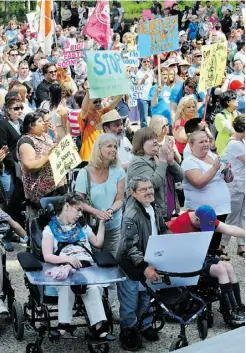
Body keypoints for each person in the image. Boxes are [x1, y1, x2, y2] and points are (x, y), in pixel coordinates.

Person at [42, 193, 115, 341]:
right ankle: (63, 324)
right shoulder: (49, 229)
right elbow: (47, 256)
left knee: (93, 287)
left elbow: (98, 244)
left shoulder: (83, 227)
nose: (81, 214)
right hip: (64, 266)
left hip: (86, 266)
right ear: (67, 207)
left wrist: (101, 223)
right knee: (65, 286)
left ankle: (99, 327)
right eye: (78, 210)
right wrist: (67, 259)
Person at [169, 205, 245, 326]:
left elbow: (230, 229)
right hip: (187, 261)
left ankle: (238, 307)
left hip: (201, 258)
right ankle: (229, 312)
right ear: (197, 220)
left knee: (228, 267)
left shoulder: (206, 216)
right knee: (221, 269)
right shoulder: (181, 224)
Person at [117, 175, 170, 349]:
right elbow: (129, 247)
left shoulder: (152, 206)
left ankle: (145, 325)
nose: (149, 192)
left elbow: (162, 228)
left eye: (150, 188)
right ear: (133, 193)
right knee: (130, 301)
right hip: (131, 265)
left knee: (147, 296)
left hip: (149, 259)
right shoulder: (131, 215)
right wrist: (144, 267)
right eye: (143, 189)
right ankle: (128, 331)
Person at [75, 133, 125, 261]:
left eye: (115, 146)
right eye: (109, 146)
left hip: (113, 225)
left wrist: (110, 211)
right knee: (92, 263)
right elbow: (77, 201)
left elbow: (120, 199)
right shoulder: (84, 173)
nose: (113, 149)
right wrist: (95, 212)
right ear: (99, 148)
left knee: (112, 263)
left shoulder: (119, 171)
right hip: (91, 227)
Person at [181, 130, 231, 253]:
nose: (206, 144)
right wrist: (214, 168)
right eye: (201, 142)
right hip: (202, 212)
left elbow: (227, 180)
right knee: (203, 246)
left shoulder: (213, 156)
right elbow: (198, 182)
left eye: (207, 141)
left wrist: (228, 171)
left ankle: (214, 261)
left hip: (221, 209)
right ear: (191, 145)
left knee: (214, 244)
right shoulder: (189, 162)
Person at [126, 127, 183, 221]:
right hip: (148, 216)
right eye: (150, 139)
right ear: (140, 143)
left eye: (155, 138)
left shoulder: (159, 157)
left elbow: (180, 177)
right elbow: (153, 184)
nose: (155, 141)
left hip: (168, 213)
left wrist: (171, 162)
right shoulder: (137, 162)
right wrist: (163, 161)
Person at [17, 112, 67, 205]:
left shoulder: (45, 135)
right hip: (41, 190)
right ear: (31, 125)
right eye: (40, 121)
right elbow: (29, 166)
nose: (44, 123)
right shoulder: (26, 141)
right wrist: (48, 156)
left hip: (57, 185)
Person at [220, 115, 245, 257]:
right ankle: (222, 245)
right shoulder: (234, 143)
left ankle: (241, 245)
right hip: (236, 186)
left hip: (243, 185)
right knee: (232, 217)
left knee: (243, 215)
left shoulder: (241, 141)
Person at [78, 91, 123, 164]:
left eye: (99, 101)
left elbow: (114, 103)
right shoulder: (84, 115)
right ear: (87, 102)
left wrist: (122, 90)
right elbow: (84, 109)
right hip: (88, 156)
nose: (98, 103)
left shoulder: (101, 113)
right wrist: (88, 93)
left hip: (100, 155)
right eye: (95, 101)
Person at [215, 90, 239, 156]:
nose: (237, 101)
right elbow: (231, 131)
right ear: (228, 102)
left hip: (235, 149)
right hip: (223, 151)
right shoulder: (221, 116)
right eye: (234, 99)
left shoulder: (237, 113)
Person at [135, 57, 154, 128]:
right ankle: (144, 135)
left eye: (148, 61)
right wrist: (143, 79)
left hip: (151, 97)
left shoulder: (151, 72)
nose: (146, 63)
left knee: (153, 116)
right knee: (144, 119)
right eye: (144, 61)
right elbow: (138, 85)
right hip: (142, 98)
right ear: (141, 62)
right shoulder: (138, 73)